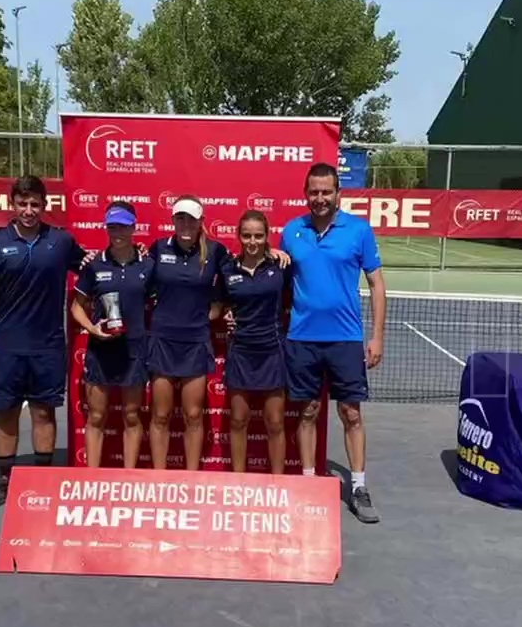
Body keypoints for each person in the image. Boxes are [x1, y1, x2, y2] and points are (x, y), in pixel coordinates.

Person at [0, 175, 95, 507]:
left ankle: (43, 477)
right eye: (22, 204)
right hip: (4, 345)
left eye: (35, 204)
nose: (28, 210)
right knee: (7, 412)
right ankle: (4, 479)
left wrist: (127, 252)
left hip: (48, 345)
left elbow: (91, 265)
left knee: (44, 413)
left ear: (44, 205)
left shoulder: (61, 242)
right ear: (13, 205)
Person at [145, 196, 290, 471]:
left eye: (191, 218)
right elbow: (137, 275)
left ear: (202, 222)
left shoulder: (218, 253)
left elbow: (225, 298)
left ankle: (191, 478)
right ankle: (159, 481)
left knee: (194, 415)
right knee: (160, 415)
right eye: (180, 218)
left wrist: (275, 253)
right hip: (163, 341)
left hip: (200, 341)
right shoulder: (156, 249)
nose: (185, 223)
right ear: (173, 220)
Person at [280, 162, 387, 523]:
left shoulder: (358, 230)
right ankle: (309, 482)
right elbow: (274, 281)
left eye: (327, 192)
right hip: (302, 340)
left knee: (351, 413)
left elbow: (376, 284)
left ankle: (358, 486)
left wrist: (376, 336)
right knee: (308, 412)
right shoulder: (292, 232)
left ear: (338, 193)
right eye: (314, 192)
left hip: (345, 340)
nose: (320, 198)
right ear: (306, 193)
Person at [70, 202, 155, 469]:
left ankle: (128, 478)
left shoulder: (149, 265)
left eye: (122, 226)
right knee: (96, 416)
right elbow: (76, 307)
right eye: (112, 226)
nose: (117, 231)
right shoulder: (94, 264)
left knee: (131, 415)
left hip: (134, 351)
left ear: (134, 228)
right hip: (101, 350)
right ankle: (92, 477)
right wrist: (92, 328)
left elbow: (160, 301)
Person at [216, 209, 291, 474]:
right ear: (238, 236)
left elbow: (294, 302)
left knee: (275, 423)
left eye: (258, 236)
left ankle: (278, 484)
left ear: (267, 236)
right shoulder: (227, 269)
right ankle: (238, 481)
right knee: (238, 421)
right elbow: (219, 304)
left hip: (272, 351)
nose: (252, 241)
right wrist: (225, 313)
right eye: (246, 235)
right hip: (241, 351)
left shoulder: (281, 266)